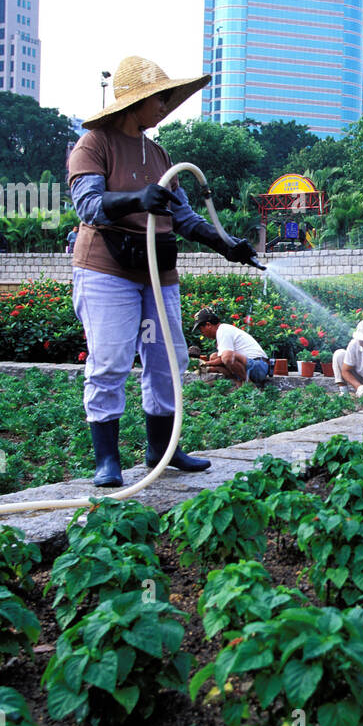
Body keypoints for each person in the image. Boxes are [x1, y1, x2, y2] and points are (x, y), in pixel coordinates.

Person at [66, 55, 259, 487]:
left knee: (167, 359)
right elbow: (89, 206)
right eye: (160, 98)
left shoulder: (159, 154)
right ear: (136, 102)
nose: (165, 106)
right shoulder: (94, 144)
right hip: (108, 269)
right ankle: (107, 460)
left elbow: (185, 217)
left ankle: (162, 449)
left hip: (157, 268)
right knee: (111, 359)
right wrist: (136, 200)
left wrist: (227, 246)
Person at [193, 308, 270, 389]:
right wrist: (207, 369)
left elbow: (226, 358)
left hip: (258, 367)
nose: (203, 334)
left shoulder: (223, 331)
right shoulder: (222, 331)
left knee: (226, 356)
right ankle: (239, 383)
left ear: (208, 325)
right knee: (214, 356)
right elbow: (220, 361)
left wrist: (205, 363)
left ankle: (249, 386)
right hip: (252, 367)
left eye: (202, 330)